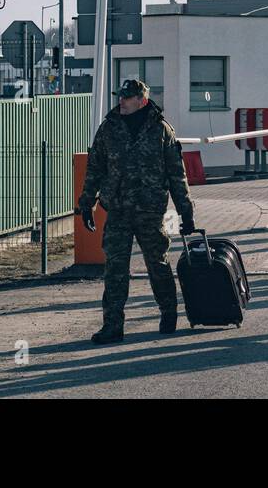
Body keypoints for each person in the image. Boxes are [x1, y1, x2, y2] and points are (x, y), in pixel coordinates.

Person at [78, 78, 195, 345]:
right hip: (118, 210)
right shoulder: (109, 129)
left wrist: (186, 213)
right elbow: (95, 167)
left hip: (151, 210)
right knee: (115, 268)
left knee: (158, 264)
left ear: (141, 100)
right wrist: (87, 203)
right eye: (120, 96)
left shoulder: (161, 130)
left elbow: (177, 175)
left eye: (127, 97)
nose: (121, 101)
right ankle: (112, 325)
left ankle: (168, 312)